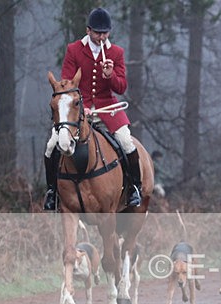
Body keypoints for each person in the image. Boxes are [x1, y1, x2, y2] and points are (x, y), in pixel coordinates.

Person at [43, 7, 141, 211]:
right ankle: (52, 192)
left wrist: (110, 75)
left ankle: (133, 188)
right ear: (88, 31)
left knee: (126, 141)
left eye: (105, 33)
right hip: (79, 108)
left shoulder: (116, 52)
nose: (101, 37)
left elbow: (121, 86)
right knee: (52, 145)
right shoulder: (74, 50)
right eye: (97, 32)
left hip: (108, 107)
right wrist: (82, 108)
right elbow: (67, 84)